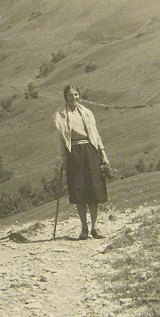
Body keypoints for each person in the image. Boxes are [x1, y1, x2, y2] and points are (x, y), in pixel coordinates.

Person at [54, 85, 110, 239]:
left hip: (91, 151)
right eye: (70, 95)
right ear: (65, 97)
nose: (74, 98)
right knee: (79, 191)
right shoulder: (60, 115)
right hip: (74, 154)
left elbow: (95, 134)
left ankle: (95, 227)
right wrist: (64, 158)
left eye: (76, 94)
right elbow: (61, 140)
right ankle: (84, 228)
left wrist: (103, 154)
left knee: (93, 189)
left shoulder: (87, 112)